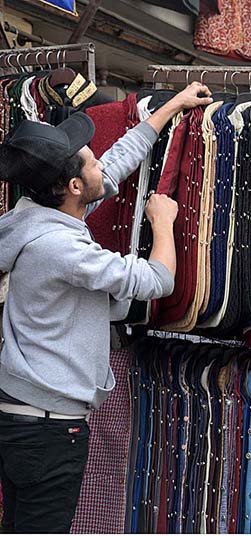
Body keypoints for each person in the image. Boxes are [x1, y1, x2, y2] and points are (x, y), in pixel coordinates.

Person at [0, 82, 212, 533]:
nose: (100, 159)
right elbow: (157, 280)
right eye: (90, 159)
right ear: (74, 186)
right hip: (49, 430)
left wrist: (171, 106)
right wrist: (163, 223)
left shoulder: (32, 215)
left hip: (24, 417)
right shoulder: (63, 249)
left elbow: (114, 164)